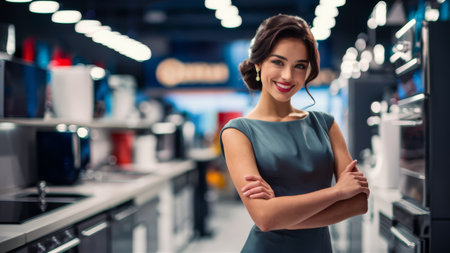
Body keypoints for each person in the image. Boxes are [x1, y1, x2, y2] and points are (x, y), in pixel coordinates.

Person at [220, 14, 369, 252]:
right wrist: (337, 192)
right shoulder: (238, 132)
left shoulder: (325, 124)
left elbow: (358, 203)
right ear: (259, 64)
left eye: (299, 65)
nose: (288, 76)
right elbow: (264, 218)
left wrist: (280, 212)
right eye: (278, 62)